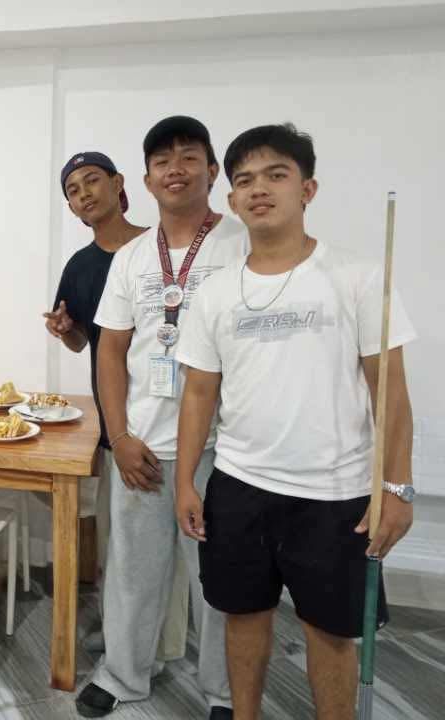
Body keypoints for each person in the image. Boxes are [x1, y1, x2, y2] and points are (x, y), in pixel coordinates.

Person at [174, 123, 416, 720]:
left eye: (276, 175)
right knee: (242, 617)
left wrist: (397, 487)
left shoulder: (357, 277)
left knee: (331, 634)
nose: (259, 189)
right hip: (239, 485)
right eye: (244, 180)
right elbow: (199, 392)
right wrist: (185, 480)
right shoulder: (216, 292)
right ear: (230, 199)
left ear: (307, 189)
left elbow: (390, 393)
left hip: (334, 494)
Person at [81, 117, 247, 719]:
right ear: (146, 180)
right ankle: (123, 675)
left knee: (220, 580)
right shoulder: (129, 256)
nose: (175, 168)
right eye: (162, 161)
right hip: (143, 444)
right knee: (131, 570)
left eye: (189, 156)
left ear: (212, 170)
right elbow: (110, 349)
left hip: (224, 448)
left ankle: (224, 691)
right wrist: (119, 435)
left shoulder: (244, 242)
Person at [43, 151, 146, 644]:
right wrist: (65, 330)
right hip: (115, 416)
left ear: (118, 183)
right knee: (123, 537)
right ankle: (128, 636)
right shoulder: (80, 266)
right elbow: (84, 341)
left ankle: (165, 635)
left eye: (92, 181)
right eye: (73, 190)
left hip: (174, 408)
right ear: (71, 208)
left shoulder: (156, 248)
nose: (84, 193)